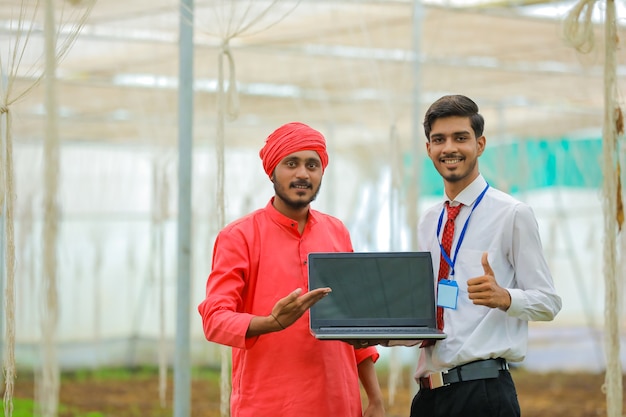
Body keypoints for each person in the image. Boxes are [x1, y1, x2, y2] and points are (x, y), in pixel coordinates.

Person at [197, 122, 385, 417]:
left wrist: (375, 398)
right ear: (272, 171)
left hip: (339, 402)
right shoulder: (240, 236)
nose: (302, 174)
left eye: (312, 164)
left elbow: (353, 322)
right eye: (291, 163)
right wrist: (269, 323)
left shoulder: (336, 232)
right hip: (267, 404)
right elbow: (214, 319)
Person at [410, 95, 562, 417]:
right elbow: (430, 310)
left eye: (460, 138)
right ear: (428, 149)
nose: (449, 148)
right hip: (428, 396)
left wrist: (505, 297)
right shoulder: (428, 222)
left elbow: (548, 302)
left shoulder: (512, 214)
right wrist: (381, 334)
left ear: (480, 144)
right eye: (439, 139)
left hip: (483, 395)